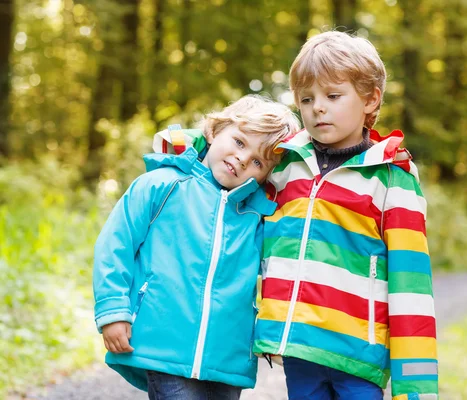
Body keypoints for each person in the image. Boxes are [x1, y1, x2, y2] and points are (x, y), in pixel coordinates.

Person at [253, 31, 438, 400]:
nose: (317, 107)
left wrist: (416, 391)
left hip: (359, 354)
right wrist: (186, 145)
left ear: (371, 99)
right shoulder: (285, 165)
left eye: (333, 96)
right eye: (307, 99)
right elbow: (231, 150)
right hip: (298, 346)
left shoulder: (390, 179)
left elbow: (411, 287)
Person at [92, 95, 300, 400]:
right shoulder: (162, 184)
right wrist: (113, 310)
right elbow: (115, 245)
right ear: (215, 131)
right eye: (240, 142)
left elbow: (281, 275)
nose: (243, 159)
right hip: (164, 345)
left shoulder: (259, 217)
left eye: (258, 161)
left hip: (228, 357)